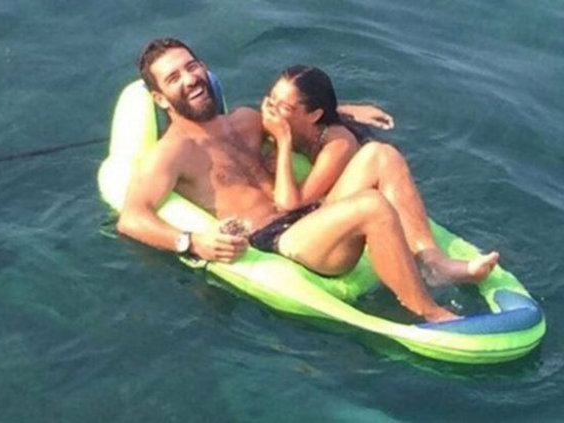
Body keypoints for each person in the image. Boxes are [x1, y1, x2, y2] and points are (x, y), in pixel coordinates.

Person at [118, 37, 458, 322]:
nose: (190, 79)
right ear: (160, 98)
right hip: (277, 240)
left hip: (308, 216)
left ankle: (432, 262)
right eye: (173, 77)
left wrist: (343, 111)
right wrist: (191, 243)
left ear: (204, 68)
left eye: (191, 67)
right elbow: (132, 217)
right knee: (371, 205)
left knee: (382, 155)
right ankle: (430, 313)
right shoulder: (172, 153)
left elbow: (290, 119)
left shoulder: (245, 120)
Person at [260, 65, 499, 285]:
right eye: (271, 100)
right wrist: (347, 110)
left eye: (285, 108)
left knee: (383, 156)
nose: (272, 111)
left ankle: (433, 263)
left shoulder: (338, 143)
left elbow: (291, 204)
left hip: (357, 184)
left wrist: (283, 142)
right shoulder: (284, 119)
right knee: (382, 155)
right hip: (330, 137)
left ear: (314, 115)